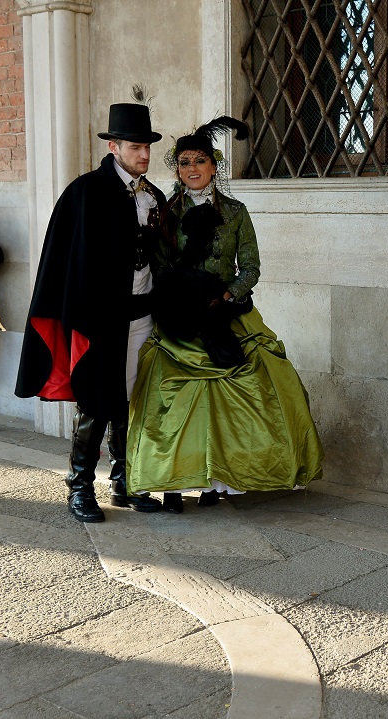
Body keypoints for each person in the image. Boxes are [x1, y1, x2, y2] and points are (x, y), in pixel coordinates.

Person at [125, 116, 324, 512]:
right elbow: (160, 264)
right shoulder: (166, 210)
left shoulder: (235, 211)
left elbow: (250, 266)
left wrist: (229, 293)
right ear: (177, 169)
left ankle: (219, 482)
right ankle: (173, 485)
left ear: (214, 165)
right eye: (184, 162)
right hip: (180, 315)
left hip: (224, 310)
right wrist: (178, 296)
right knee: (174, 395)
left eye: (199, 161)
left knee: (244, 387)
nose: (192, 169)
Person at [15, 102, 166, 522]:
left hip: (142, 315)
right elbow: (65, 262)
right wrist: (81, 315)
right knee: (97, 401)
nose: (145, 155)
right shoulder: (84, 193)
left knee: (130, 399)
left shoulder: (152, 195)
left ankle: (124, 482)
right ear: (114, 146)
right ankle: (79, 486)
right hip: (100, 319)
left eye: (148, 147)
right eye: (136, 147)